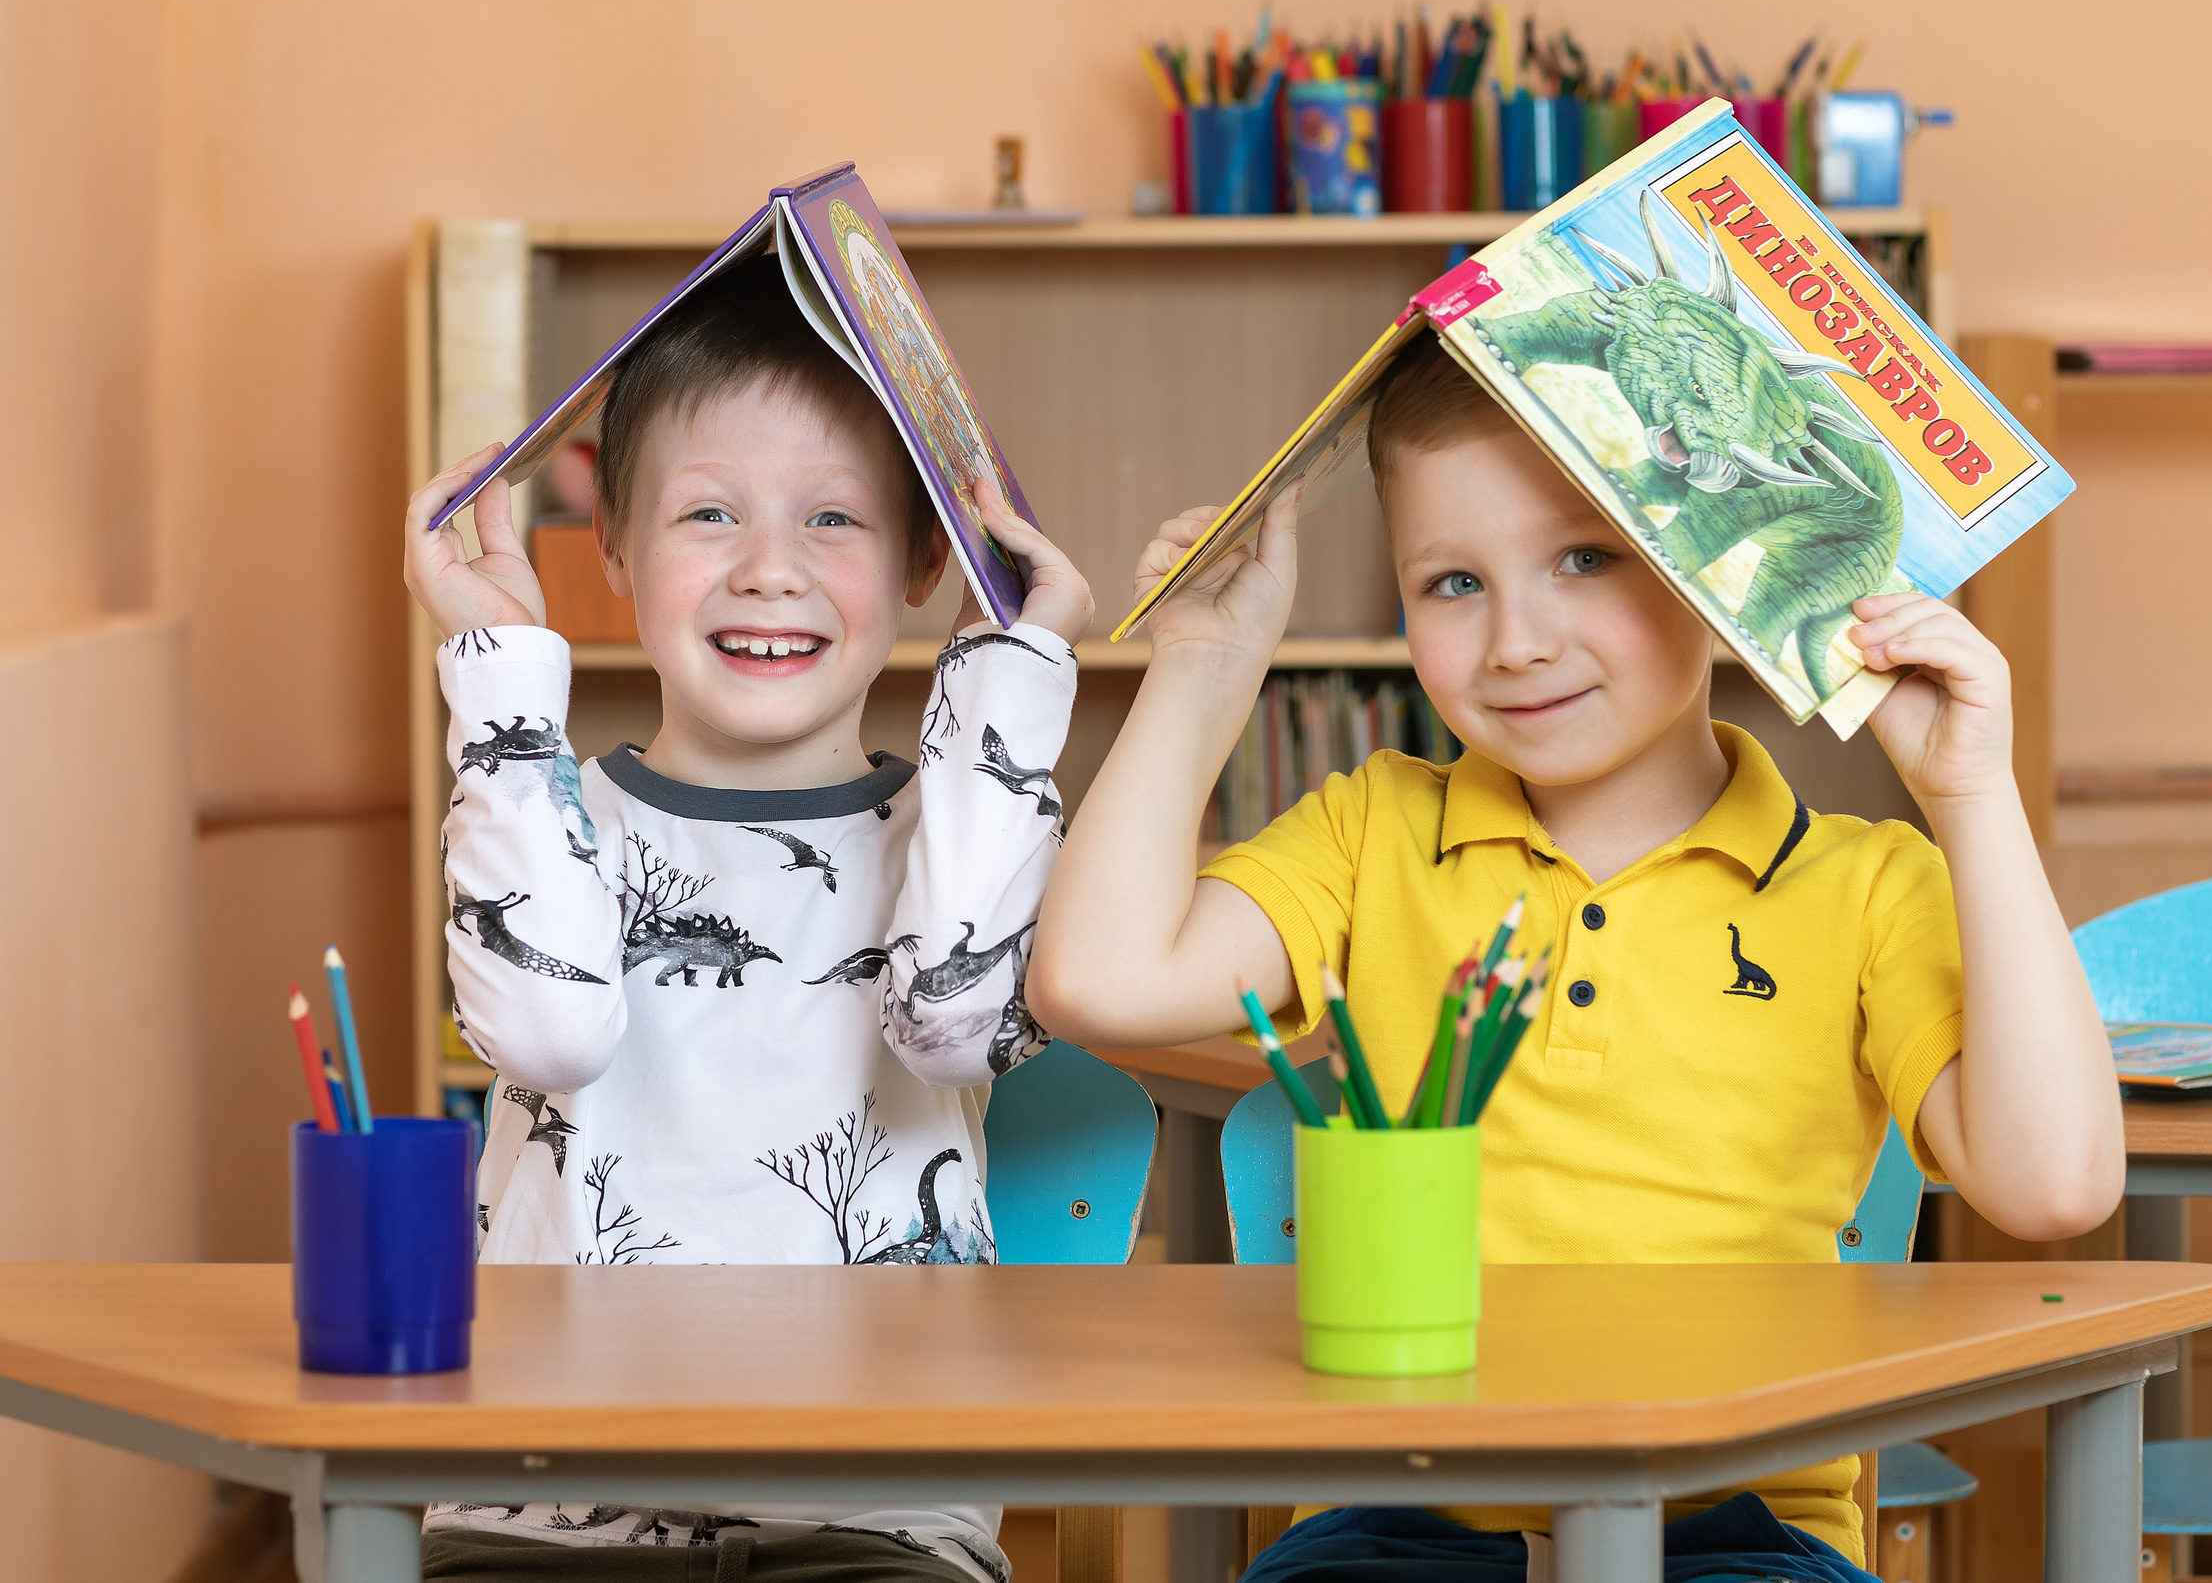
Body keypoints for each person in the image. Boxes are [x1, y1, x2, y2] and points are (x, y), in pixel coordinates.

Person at [1027, 338, 2123, 1580]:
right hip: (1398, 1517)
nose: (1515, 642)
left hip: (1734, 1525)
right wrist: (1203, 668)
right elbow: (1093, 983)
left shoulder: (1867, 881)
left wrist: (1971, 798)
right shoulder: (1371, 827)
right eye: (1450, 584)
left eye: (1583, 559)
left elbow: (2058, 1187)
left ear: (1724, 567)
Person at [404, 253, 1092, 1583]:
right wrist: (498, 675)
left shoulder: (965, 827)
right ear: (610, 542)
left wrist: (1016, 657)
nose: (768, 570)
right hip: (541, 1506)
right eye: (708, 514)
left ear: (921, 560)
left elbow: (949, 1021)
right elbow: (548, 1036)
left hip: (872, 1511)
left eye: (833, 519)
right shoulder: (533, 800)